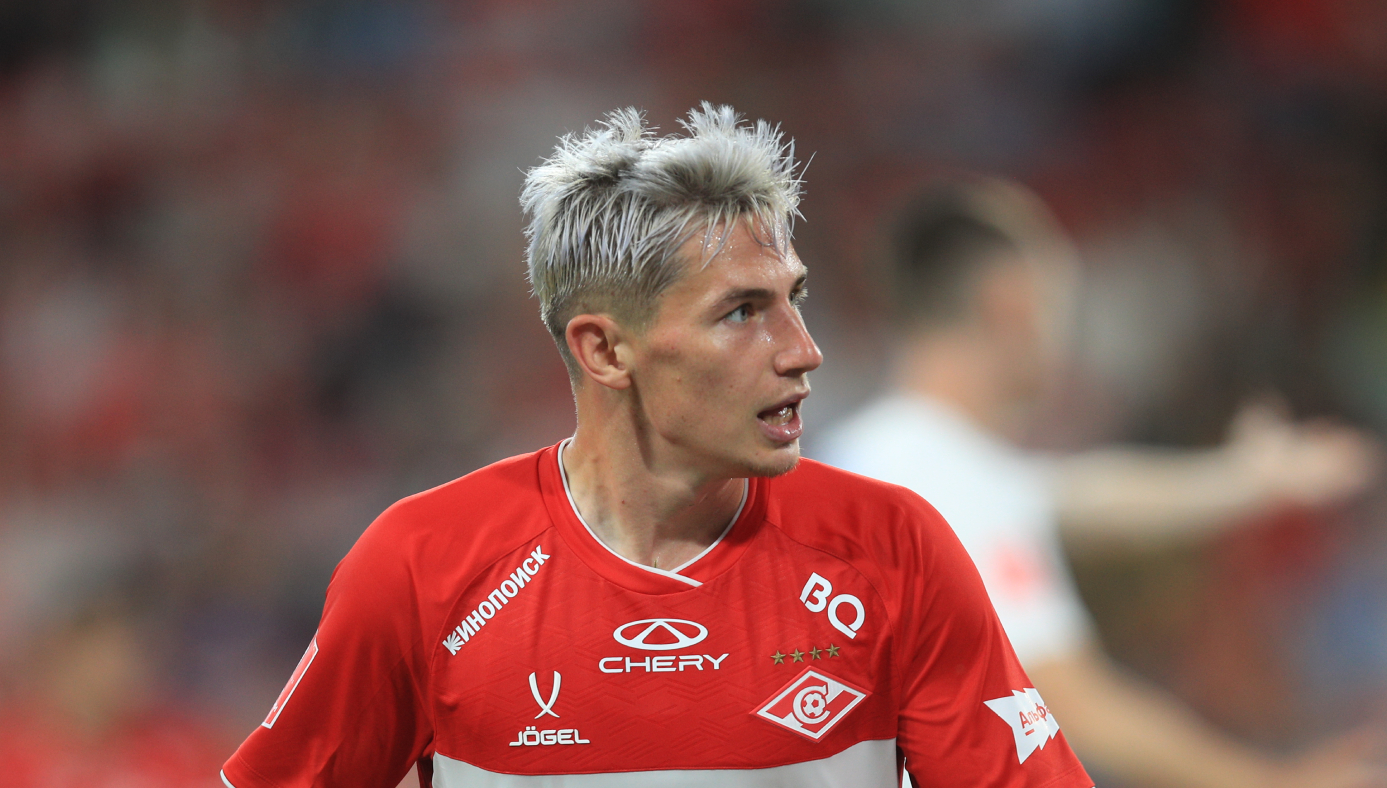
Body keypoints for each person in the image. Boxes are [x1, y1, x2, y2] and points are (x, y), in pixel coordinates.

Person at [220, 105, 1093, 787]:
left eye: (793, 299)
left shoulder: (893, 551)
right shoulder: (424, 567)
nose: (804, 350)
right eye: (742, 312)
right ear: (605, 351)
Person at [817, 178, 1387, 788]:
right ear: (1010, 303)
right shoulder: (937, 478)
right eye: (1058, 301)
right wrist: (1273, 783)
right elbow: (1069, 701)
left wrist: (1243, 481)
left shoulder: (880, 454)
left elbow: (1082, 496)